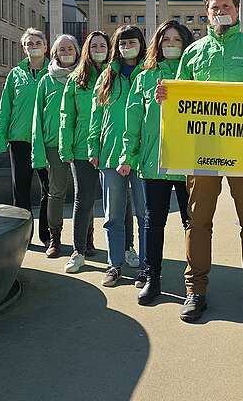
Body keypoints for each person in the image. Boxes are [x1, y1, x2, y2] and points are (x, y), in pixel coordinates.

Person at [154, 0, 243, 326]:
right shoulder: (194, 52)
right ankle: (195, 290)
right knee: (198, 221)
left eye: (226, 6)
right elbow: (181, 98)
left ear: (237, 10)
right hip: (202, 151)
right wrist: (166, 98)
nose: (220, 12)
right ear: (207, 12)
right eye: (214, 7)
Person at [119, 20, 194, 305]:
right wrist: (128, 155)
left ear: (185, 44)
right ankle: (152, 277)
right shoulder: (145, 77)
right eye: (166, 40)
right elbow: (133, 120)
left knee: (193, 223)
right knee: (153, 222)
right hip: (155, 162)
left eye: (177, 40)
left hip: (189, 162)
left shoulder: (195, 74)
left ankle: (195, 282)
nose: (171, 44)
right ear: (158, 44)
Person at [90, 25, 148, 288]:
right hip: (111, 155)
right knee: (113, 215)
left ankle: (146, 267)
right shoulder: (107, 76)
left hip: (142, 156)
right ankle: (114, 265)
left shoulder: (148, 73)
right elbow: (96, 115)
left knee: (144, 214)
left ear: (141, 44)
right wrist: (93, 148)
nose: (127, 47)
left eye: (132, 42)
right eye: (122, 43)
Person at [61, 31, 110, 274]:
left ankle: (126, 249)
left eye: (102, 46)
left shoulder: (116, 76)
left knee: (120, 202)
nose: (98, 50)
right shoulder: (76, 79)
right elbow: (67, 115)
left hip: (111, 147)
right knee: (84, 200)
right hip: (81, 149)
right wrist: (65, 147)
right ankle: (78, 251)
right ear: (87, 51)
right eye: (94, 46)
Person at [0, 28, 49, 244]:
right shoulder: (15, 74)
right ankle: (23, 237)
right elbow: (5, 108)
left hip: (46, 140)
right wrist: (1, 139)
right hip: (19, 140)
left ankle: (47, 236)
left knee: (49, 188)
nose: (34, 47)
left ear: (46, 46)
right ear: (24, 48)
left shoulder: (54, 72)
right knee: (21, 189)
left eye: (38, 43)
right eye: (29, 44)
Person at [31, 34, 79, 259]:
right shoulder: (45, 80)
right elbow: (37, 118)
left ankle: (85, 238)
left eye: (70, 48)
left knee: (83, 194)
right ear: (55, 53)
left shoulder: (85, 76)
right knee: (56, 192)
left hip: (80, 144)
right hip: (53, 144)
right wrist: (38, 152)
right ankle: (55, 238)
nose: (66, 52)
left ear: (77, 51)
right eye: (62, 49)